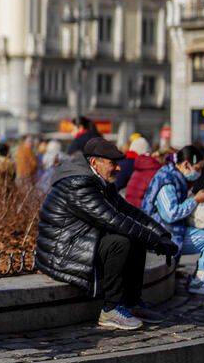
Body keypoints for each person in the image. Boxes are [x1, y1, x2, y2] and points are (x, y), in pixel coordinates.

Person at [36, 137, 175, 331]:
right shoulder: (79, 184)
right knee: (121, 242)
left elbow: (129, 212)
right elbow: (113, 219)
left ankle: (130, 303)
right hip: (62, 250)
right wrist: (154, 241)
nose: (118, 168)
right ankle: (110, 309)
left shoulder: (98, 180)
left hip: (82, 240)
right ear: (95, 162)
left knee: (134, 239)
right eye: (113, 163)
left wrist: (161, 235)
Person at [141, 146, 204, 296]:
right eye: (198, 168)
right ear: (186, 164)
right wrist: (195, 200)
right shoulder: (167, 181)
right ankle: (199, 280)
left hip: (170, 232)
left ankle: (200, 277)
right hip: (163, 236)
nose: (199, 172)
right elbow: (171, 214)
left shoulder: (174, 176)